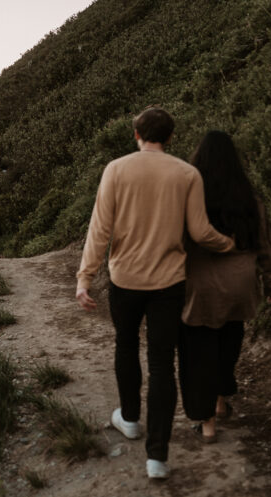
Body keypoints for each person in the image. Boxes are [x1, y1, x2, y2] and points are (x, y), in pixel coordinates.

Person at [76, 107, 234, 480]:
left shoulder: (116, 169)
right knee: (163, 362)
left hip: (125, 280)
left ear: (136, 134)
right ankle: (157, 458)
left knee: (126, 345)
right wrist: (229, 244)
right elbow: (199, 232)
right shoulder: (186, 173)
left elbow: (100, 229)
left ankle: (129, 419)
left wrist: (85, 277)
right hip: (168, 284)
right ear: (170, 137)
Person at [178, 130, 271, 443]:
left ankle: (207, 423)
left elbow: (178, 243)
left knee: (198, 353)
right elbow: (265, 247)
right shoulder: (252, 201)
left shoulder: (191, 200)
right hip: (241, 285)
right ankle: (221, 401)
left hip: (201, 287)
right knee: (228, 343)